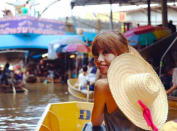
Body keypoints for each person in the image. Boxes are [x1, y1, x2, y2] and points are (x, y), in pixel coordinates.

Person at [88, 31, 168, 131]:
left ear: (121, 54)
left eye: (105, 52)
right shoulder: (141, 82)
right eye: (96, 54)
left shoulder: (102, 86)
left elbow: (95, 122)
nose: (99, 59)